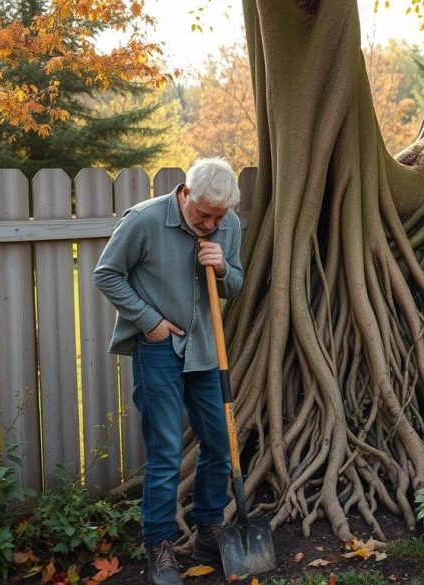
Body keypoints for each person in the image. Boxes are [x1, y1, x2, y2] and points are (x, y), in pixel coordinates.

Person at [94, 157, 244, 585]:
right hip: (159, 349)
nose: (211, 223)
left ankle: (208, 529)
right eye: (203, 214)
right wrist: (149, 321)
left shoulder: (227, 225)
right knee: (164, 454)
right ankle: (158, 544)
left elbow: (235, 285)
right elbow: (107, 273)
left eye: (219, 216)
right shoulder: (144, 220)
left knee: (219, 442)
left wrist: (222, 267)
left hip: (205, 349)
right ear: (185, 193)